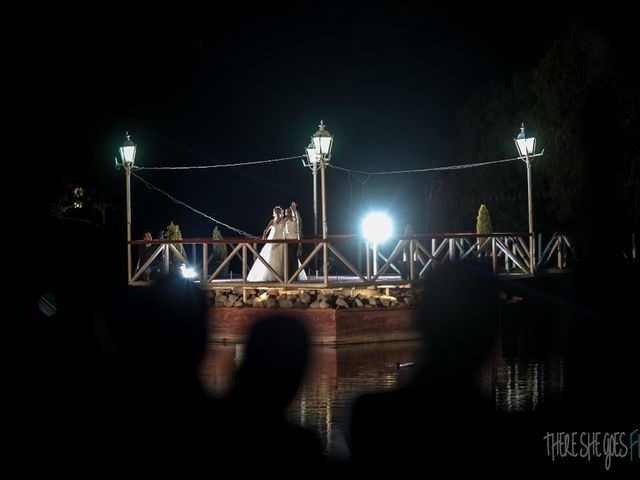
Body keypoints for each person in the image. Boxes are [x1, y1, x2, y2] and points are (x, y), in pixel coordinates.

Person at [247, 207, 286, 281]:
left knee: (282, 257)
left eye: (279, 212)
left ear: (281, 213)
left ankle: (283, 276)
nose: (277, 214)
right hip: (273, 240)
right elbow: (266, 230)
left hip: (281, 240)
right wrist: (264, 236)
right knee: (270, 256)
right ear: (274, 213)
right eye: (276, 212)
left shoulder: (284, 221)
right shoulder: (272, 221)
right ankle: (271, 275)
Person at [284, 208, 307, 281]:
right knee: (288, 259)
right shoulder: (284, 221)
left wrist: (294, 209)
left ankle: (295, 276)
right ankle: (288, 276)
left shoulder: (295, 220)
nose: (288, 213)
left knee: (294, 258)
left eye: (289, 212)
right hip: (287, 241)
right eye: (286, 212)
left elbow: (299, 220)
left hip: (295, 240)